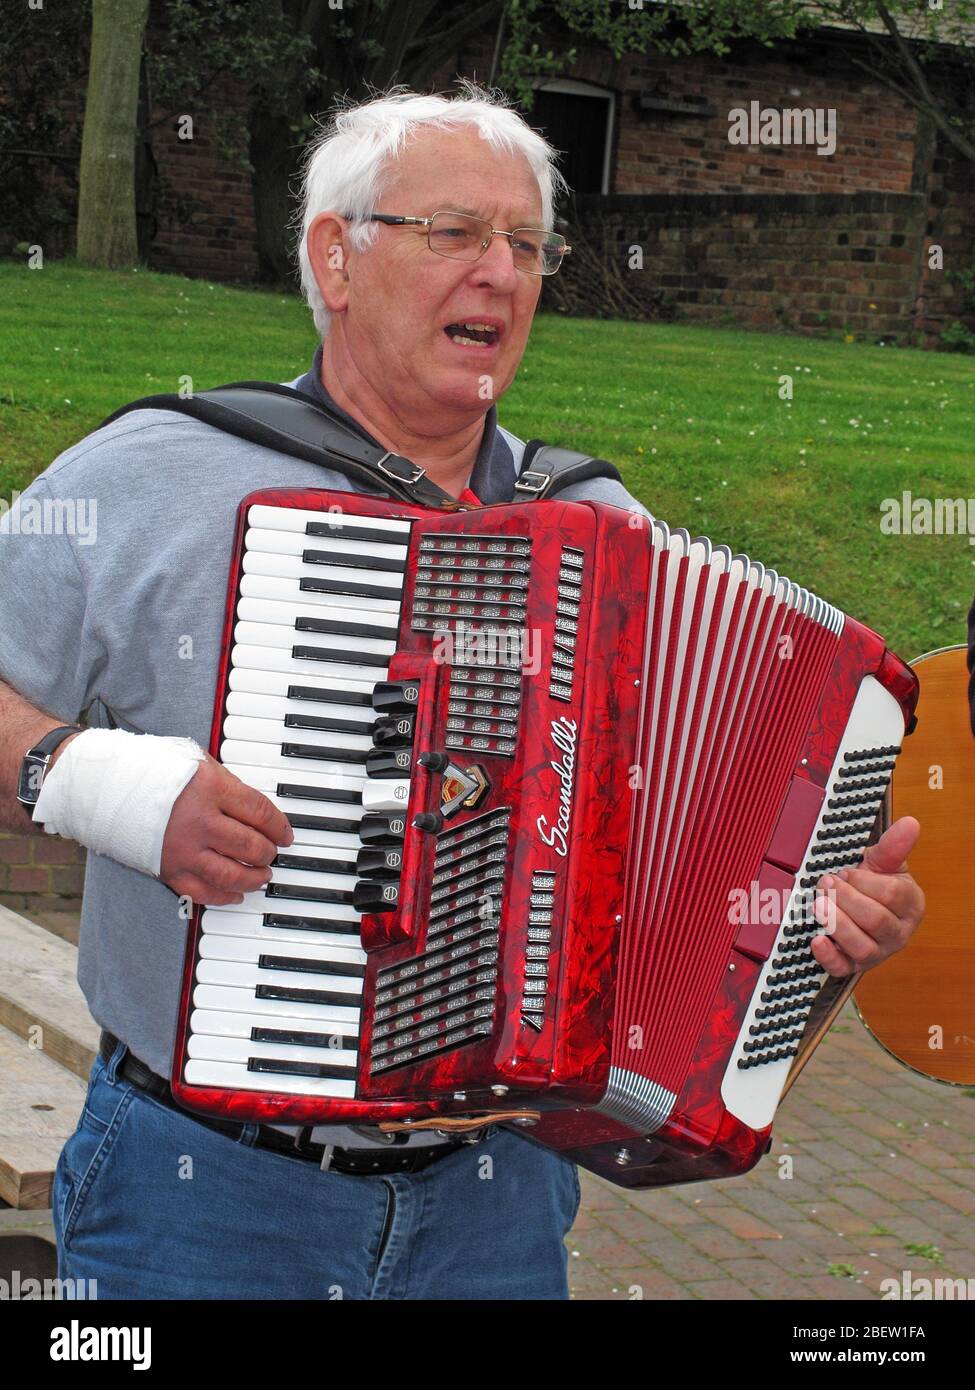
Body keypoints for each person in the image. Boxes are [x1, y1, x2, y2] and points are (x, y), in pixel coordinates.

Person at [0, 84, 924, 1301]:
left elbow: (689, 857)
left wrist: (819, 929)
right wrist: (92, 780)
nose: (500, 272)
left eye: (527, 245)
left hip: (496, 1205)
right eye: (454, 233)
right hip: (204, 1191)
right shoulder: (150, 476)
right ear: (336, 257)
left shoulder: (604, 537)